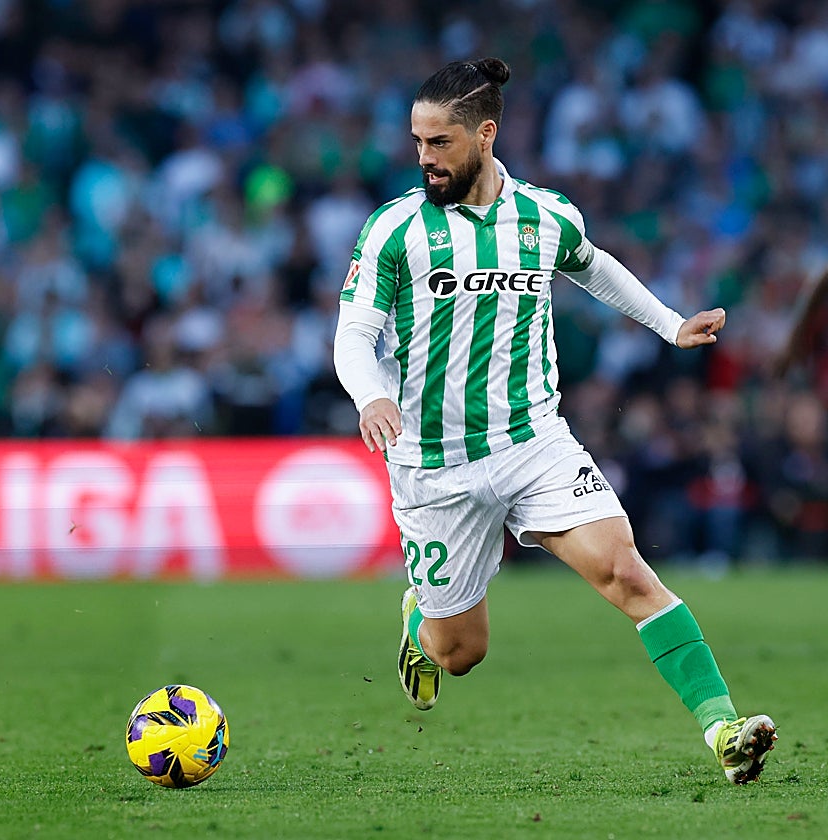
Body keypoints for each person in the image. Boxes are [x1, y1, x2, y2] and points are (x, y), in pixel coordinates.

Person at [333, 58, 777, 784]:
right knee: (460, 653)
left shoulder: (545, 216)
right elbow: (355, 333)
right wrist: (371, 394)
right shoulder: (395, 230)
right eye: (417, 142)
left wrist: (669, 325)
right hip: (432, 464)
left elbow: (592, 264)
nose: (424, 158)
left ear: (485, 133)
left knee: (628, 573)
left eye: (440, 142)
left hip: (533, 442)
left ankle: (722, 728)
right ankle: (421, 619)